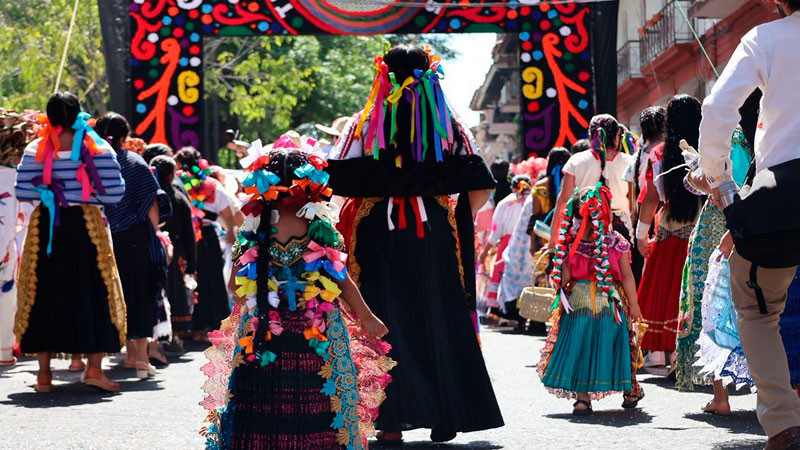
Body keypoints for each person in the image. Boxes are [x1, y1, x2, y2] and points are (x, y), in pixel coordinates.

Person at [326, 44, 503, 443]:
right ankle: (446, 414)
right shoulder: (449, 125)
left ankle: (390, 422)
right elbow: (479, 185)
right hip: (433, 231)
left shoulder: (363, 122)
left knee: (386, 314)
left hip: (376, 231)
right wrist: (453, 216)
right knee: (439, 314)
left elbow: (332, 180)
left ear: (384, 75)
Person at [200, 139, 394, 450]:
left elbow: (235, 291)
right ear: (310, 185)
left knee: (262, 401)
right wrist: (367, 317)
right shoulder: (318, 227)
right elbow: (341, 278)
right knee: (320, 399)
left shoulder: (254, 229)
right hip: (317, 331)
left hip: (261, 329)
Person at [698, 1, 800, 445]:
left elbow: (718, 107)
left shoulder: (766, 38)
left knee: (758, 312)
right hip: (781, 200)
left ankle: (783, 424)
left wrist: (720, 183)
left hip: (782, 200)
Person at [14, 92, 126, 392]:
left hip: (46, 226)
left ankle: (44, 375)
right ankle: (93, 369)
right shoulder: (99, 149)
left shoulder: (35, 148)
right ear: (78, 114)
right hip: (87, 227)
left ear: (48, 117)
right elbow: (114, 193)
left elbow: (23, 189)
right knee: (94, 292)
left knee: (43, 293)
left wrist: (51, 192)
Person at [538, 185, 644, 414]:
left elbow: (564, 279)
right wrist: (634, 305)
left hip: (577, 305)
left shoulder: (570, 242)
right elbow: (626, 276)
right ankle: (629, 390)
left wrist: (563, 260)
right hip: (609, 302)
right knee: (617, 346)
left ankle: (582, 398)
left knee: (580, 347)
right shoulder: (615, 241)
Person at [675, 128, 753, 392]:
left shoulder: (723, 135)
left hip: (719, 219)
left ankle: (720, 396)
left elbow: (709, 182)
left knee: (713, 299)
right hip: (758, 216)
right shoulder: (764, 134)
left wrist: (694, 169)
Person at [95, 113, 171, 379]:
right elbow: (152, 201)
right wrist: (156, 233)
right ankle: (139, 359)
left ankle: (113, 356)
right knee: (139, 295)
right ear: (125, 136)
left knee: (113, 294)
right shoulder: (135, 162)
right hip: (136, 239)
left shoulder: (92, 163)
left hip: (101, 236)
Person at [636, 95, 704, 374]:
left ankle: (665, 355)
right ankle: (693, 355)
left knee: (665, 290)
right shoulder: (709, 149)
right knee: (695, 290)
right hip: (701, 226)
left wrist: (641, 235)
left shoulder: (659, 154)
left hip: (667, 227)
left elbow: (650, 199)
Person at [175, 147, 236, 341]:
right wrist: (229, 236)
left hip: (184, 235)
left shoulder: (177, 182)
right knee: (213, 280)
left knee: (190, 278)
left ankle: (191, 327)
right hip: (208, 236)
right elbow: (229, 215)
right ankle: (215, 327)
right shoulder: (212, 185)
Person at [549, 114, 635, 248]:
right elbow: (633, 202)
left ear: (591, 135)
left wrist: (553, 238)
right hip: (620, 229)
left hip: (584, 230)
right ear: (617, 135)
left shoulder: (576, 161)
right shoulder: (629, 162)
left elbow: (564, 201)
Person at [150, 153, 197, 353]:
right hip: (175, 253)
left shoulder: (148, 197)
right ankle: (175, 336)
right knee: (175, 294)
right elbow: (189, 234)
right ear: (171, 175)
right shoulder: (179, 199)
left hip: (150, 251)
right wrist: (192, 265)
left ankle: (154, 340)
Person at [0, 109, 35, 367]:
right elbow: (26, 215)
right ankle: (2, 351)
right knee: (5, 297)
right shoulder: (17, 177)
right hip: (7, 244)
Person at [481, 175, 532, 315]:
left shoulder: (505, 203)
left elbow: (496, 231)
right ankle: (525, 311)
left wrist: (484, 252)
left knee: (504, 275)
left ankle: (501, 309)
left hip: (507, 243)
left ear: (512, 187)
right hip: (528, 243)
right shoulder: (533, 201)